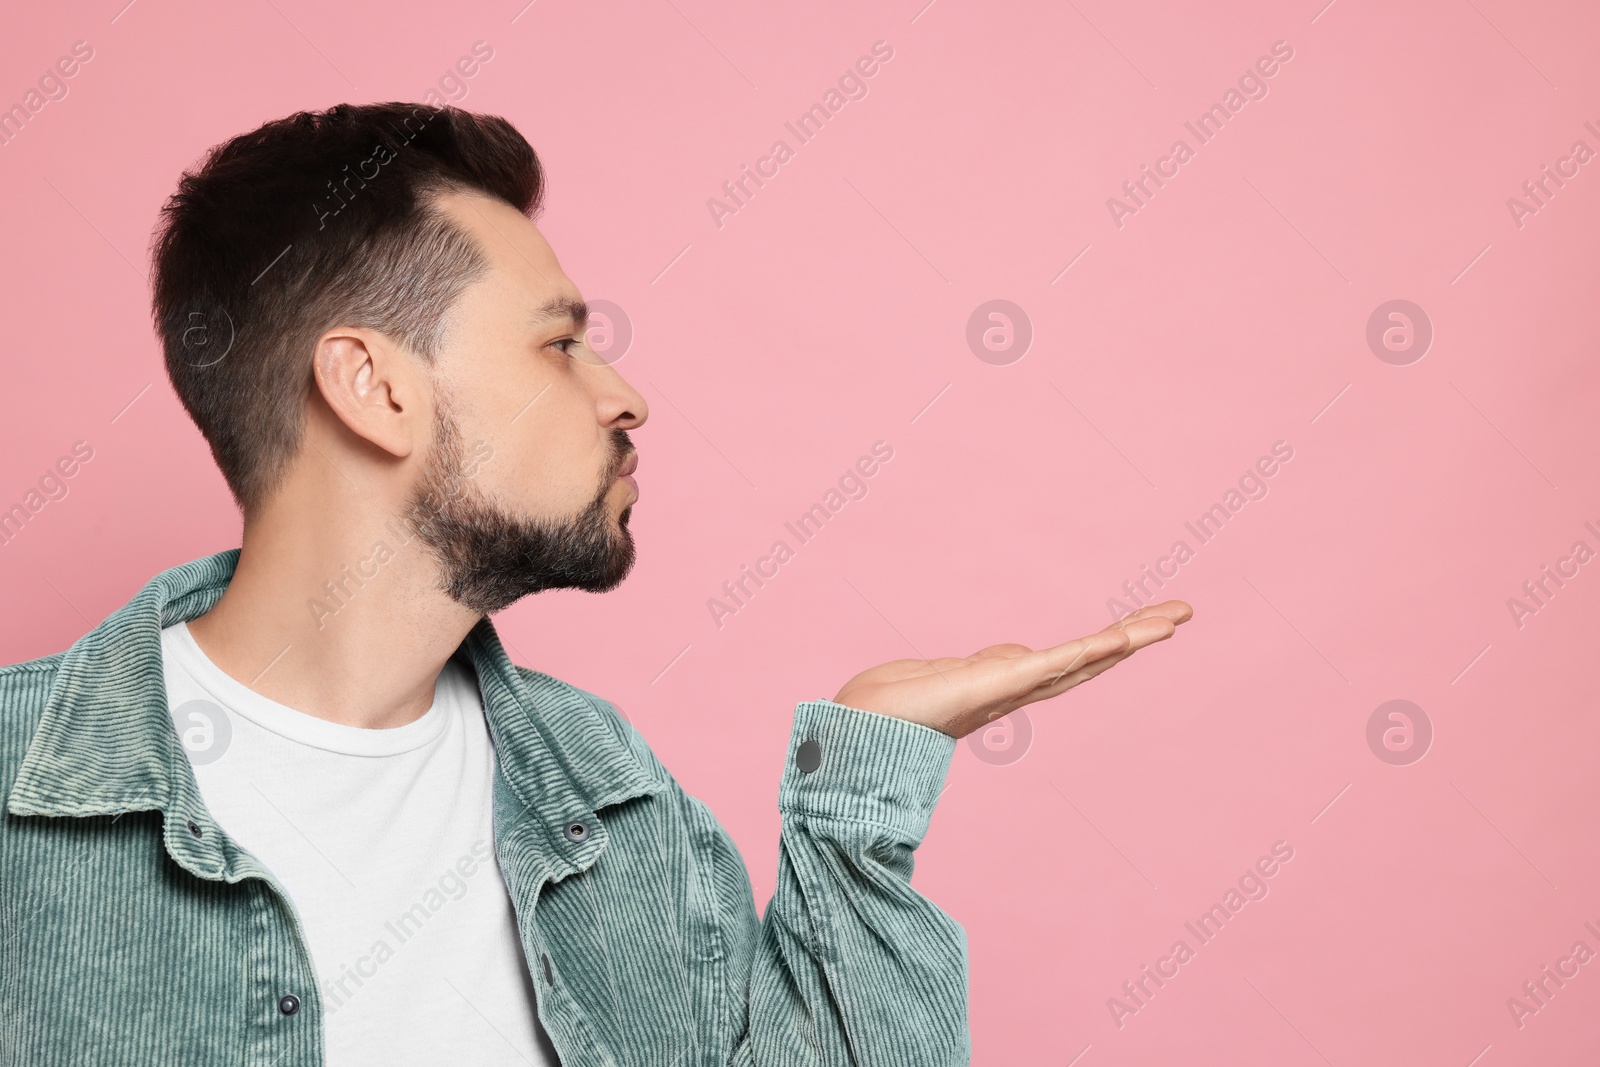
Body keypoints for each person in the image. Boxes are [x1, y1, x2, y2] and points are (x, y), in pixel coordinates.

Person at [0, 103, 1191, 1066]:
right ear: (374, 385)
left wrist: (857, 795)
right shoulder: (20, 805)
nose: (624, 397)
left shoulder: (614, 799)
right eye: (558, 342)